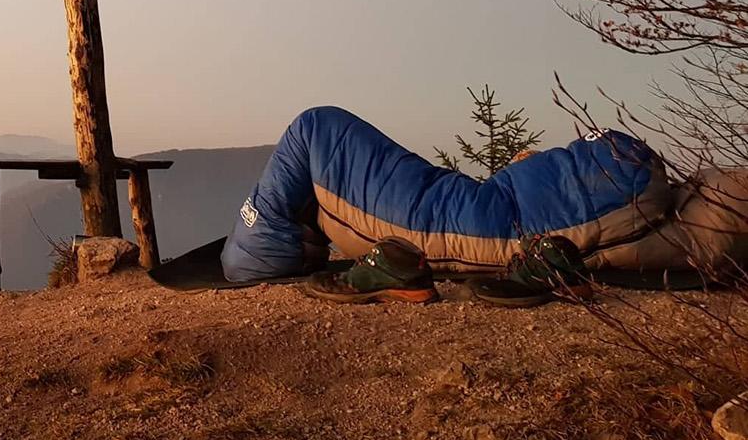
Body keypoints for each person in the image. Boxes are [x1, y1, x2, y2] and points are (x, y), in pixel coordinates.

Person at [221, 106, 672, 305]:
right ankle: (273, 241)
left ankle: (256, 253)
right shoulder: (633, 179)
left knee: (315, 127)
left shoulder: (630, 174)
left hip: (455, 212)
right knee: (319, 140)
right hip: (471, 203)